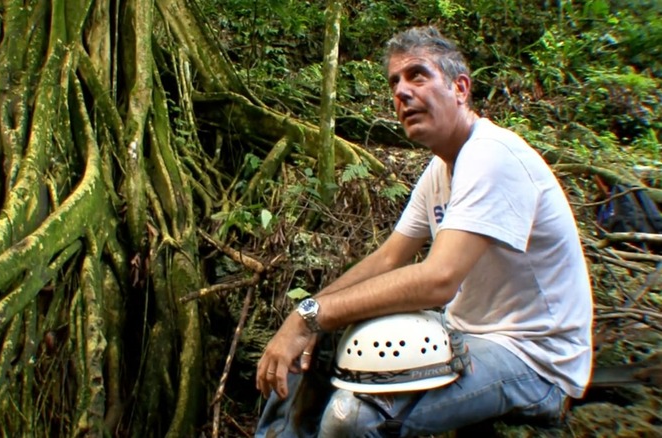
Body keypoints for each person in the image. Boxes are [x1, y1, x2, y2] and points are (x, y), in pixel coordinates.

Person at [254, 26, 593, 437]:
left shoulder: (493, 156)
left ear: (460, 88)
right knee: (312, 351)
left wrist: (311, 315)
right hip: (466, 333)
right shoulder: (440, 168)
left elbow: (438, 280)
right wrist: (306, 317)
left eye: (418, 75)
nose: (402, 91)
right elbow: (389, 257)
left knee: (355, 415)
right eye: (394, 82)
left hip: (534, 360)